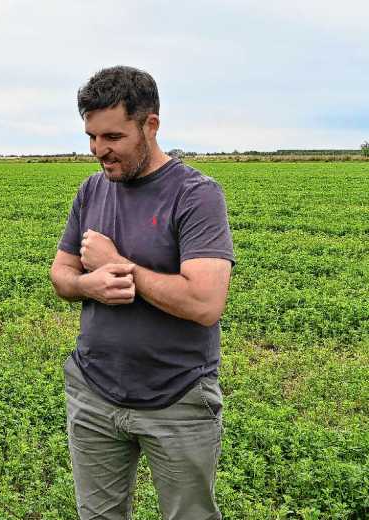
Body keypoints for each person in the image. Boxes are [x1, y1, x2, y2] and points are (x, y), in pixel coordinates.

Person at [49, 66, 234, 519]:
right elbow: (61, 273)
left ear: (150, 125)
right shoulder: (92, 189)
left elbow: (205, 303)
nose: (99, 150)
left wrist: (118, 265)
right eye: (91, 136)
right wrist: (85, 284)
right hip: (94, 391)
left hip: (178, 399)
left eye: (112, 136)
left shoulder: (196, 195)